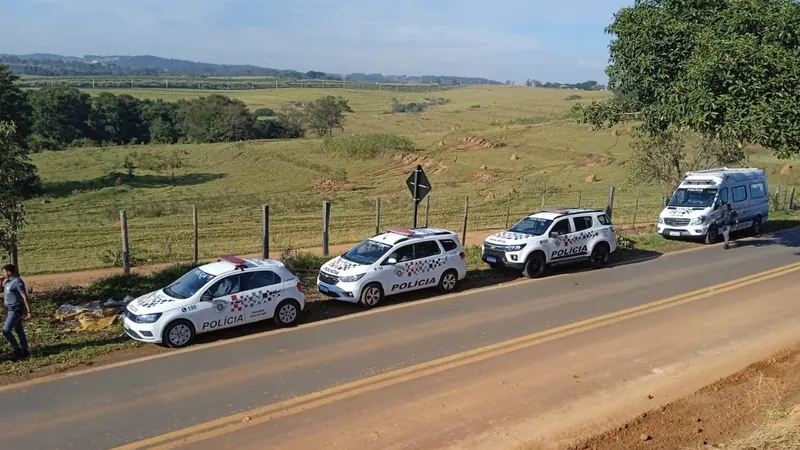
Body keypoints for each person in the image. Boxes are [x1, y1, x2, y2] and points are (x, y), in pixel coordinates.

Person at [2, 264, 31, 361]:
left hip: (16, 310)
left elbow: (24, 296)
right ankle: (25, 350)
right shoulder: (7, 282)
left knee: (6, 330)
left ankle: (17, 350)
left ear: (9, 272)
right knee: (19, 330)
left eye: (4, 271)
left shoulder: (17, 282)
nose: (3, 273)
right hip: (10, 309)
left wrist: (28, 311)